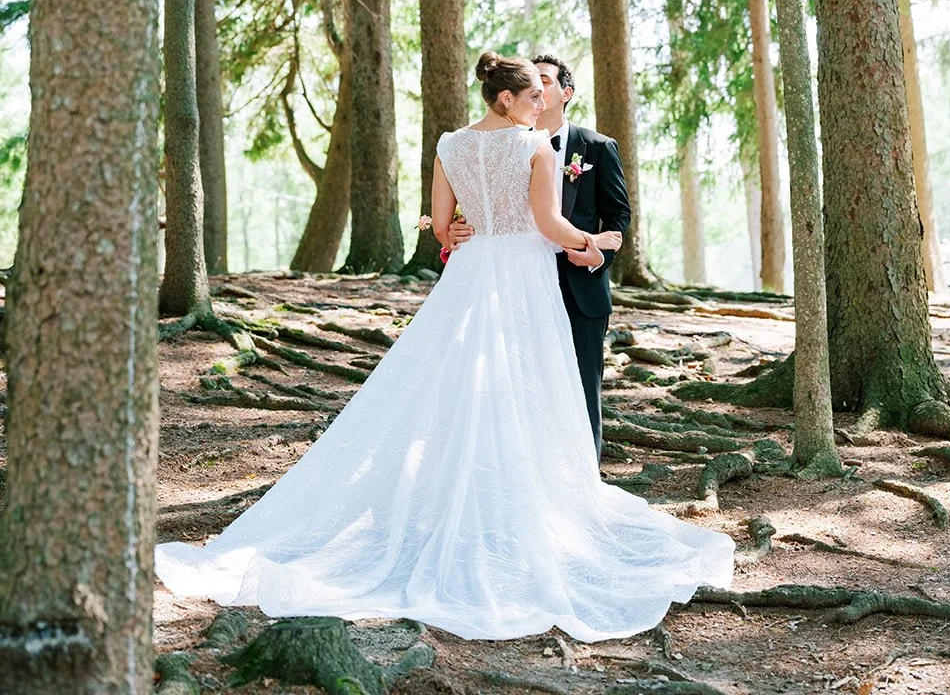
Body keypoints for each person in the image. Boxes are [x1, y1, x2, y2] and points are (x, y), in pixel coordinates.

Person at [154, 52, 733, 639]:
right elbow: (546, 225)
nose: (541, 103)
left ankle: (478, 501)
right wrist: (594, 238)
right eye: (533, 94)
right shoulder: (534, 146)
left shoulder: (449, 144)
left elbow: (440, 221)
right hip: (523, 276)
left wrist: (458, 229)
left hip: (473, 273)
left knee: (465, 380)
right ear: (505, 98)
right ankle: (511, 508)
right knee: (525, 381)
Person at [445, 52, 626, 457]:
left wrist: (596, 254)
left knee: (578, 387)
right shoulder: (512, 145)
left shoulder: (597, 147)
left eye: (545, 81)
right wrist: (458, 228)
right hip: (511, 281)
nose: (539, 91)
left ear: (566, 92)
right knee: (505, 380)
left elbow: (618, 216)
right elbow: (486, 211)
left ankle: (582, 474)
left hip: (577, 284)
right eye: (532, 84)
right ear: (509, 95)